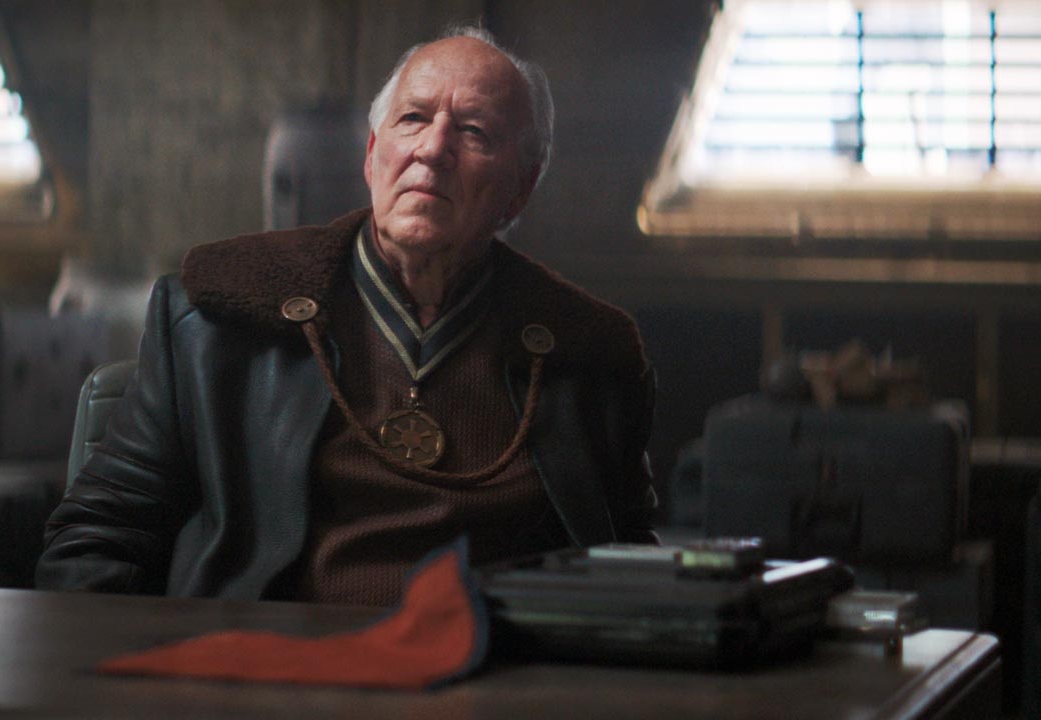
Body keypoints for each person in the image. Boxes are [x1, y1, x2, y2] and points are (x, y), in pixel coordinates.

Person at [36, 25, 657, 606]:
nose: (433, 148)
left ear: (521, 188)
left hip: (495, 663)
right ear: (372, 155)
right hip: (265, 661)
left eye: (474, 131)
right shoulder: (214, 324)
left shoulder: (588, 357)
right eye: (413, 119)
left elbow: (629, 566)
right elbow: (97, 540)